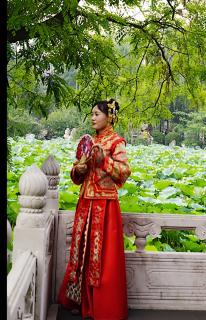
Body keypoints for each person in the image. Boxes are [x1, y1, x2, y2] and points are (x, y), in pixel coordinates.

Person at [58, 99, 131, 320]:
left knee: (102, 258)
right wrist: (78, 169)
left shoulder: (116, 142)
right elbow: (77, 178)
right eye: (91, 114)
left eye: (97, 114)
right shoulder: (88, 141)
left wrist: (103, 161)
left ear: (110, 117)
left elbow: (124, 172)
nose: (92, 118)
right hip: (85, 203)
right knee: (81, 252)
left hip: (105, 206)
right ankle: (80, 302)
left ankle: (102, 307)